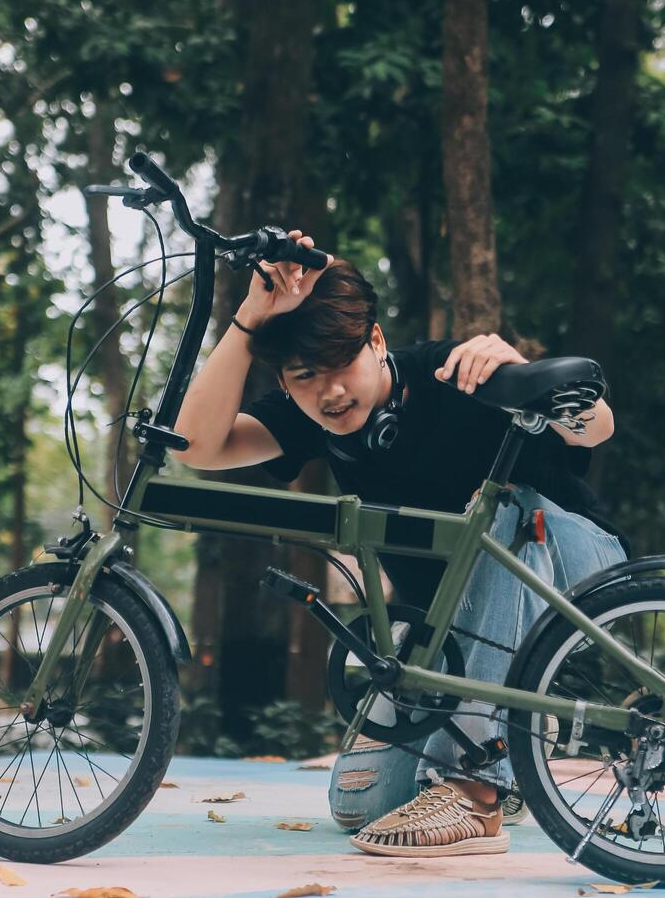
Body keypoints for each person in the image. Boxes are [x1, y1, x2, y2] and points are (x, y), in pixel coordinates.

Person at [170, 231, 628, 858]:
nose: (328, 391)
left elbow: (596, 431)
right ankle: (517, 740)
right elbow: (198, 448)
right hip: (448, 639)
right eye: (304, 376)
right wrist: (250, 317)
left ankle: (476, 789)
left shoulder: (455, 375)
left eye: (341, 366)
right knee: (359, 804)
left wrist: (522, 375)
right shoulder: (312, 418)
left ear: (377, 341)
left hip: (575, 567)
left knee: (499, 511)